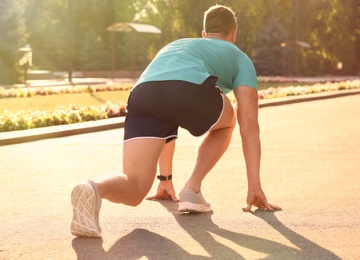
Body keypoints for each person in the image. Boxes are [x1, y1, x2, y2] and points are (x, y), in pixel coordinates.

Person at [70, 4, 281, 238]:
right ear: (233, 34)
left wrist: (165, 178)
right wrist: (254, 186)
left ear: (204, 34)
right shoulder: (239, 57)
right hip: (187, 89)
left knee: (135, 188)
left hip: (143, 93)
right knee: (229, 121)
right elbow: (249, 125)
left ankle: (93, 188)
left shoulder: (176, 46)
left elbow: (167, 115)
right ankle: (192, 189)